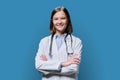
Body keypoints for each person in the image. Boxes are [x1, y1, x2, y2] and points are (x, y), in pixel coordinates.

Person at [35, 6, 82, 80]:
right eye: (56, 19)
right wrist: (63, 63)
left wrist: (48, 66)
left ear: (68, 20)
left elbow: (73, 68)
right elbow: (38, 66)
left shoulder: (76, 41)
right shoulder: (44, 42)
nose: (59, 22)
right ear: (52, 21)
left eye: (63, 18)